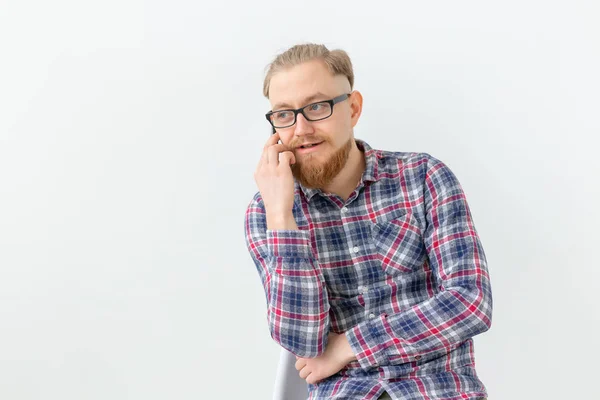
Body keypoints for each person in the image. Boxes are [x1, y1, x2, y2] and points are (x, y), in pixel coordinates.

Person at [244, 43, 492, 400]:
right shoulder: (266, 212)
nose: (300, 129)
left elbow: (470, 302)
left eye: (317, 107)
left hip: (438, 390)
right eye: (284, 114)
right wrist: (282, 217)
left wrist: (350, 346)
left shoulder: (423, 177)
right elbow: (303, 342)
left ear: (353, 108)